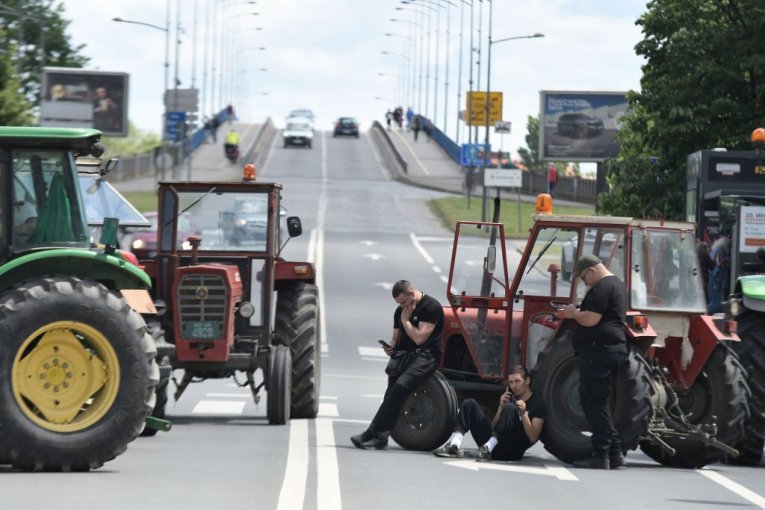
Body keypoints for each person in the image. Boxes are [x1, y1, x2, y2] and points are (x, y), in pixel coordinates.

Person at [351, 280, 444, 449]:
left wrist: (406, 321)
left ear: (412, 294)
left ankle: (370, 432)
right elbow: (395, 337)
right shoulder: (401, 311)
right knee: (391, 395)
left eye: (404, 302)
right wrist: (391, 347)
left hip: (426, 357)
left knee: (400, 386)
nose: (402, 306)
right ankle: (382, 436)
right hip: (403, 357)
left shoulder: (431, 307)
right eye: (399, 304)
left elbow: (419, 338)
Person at [556, 254, 628, 470]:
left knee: (594, 404)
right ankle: (615, 453)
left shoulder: (602, 287)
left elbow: (591, 319)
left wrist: (573, 313)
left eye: (583, 276)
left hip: (598, 352)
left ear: (592, 270)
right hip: (608, 350)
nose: (584, 282)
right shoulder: (616, 285)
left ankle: (601, 454)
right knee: (599, 403)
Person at [434, 366, 546, 461]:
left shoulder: (538, 404)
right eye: (511, 382)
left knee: (511, 408)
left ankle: (488, 448)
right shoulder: (511, 399)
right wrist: (500, 408)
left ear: (527, 380)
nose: (514, 386)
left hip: (512, 451)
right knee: (469, 404)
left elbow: (533, 437)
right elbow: (493, 428)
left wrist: (524, 414)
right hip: (491, 446)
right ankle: (455, 445)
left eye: (517, 381)